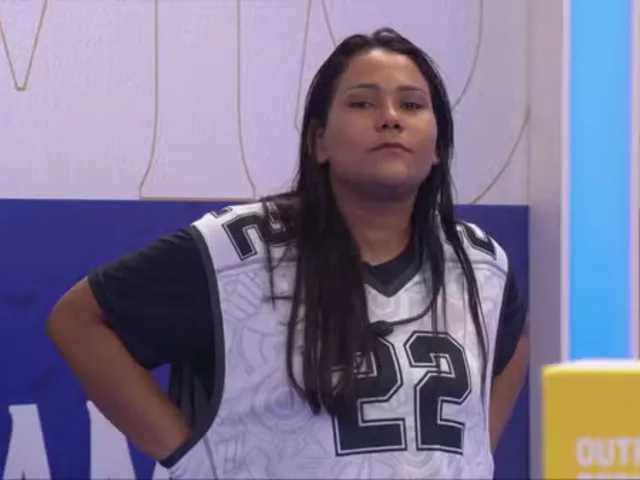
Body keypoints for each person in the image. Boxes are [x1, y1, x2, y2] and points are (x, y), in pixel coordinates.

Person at [47, 27, 528, 479]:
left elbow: (513, 342)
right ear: (319, 141)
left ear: (438, 145)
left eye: (412, 104)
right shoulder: (237, 252)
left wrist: (476, 453)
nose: (390, 117)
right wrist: (189, 458)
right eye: (362, 103)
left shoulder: (480, 263)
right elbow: (79, 321)